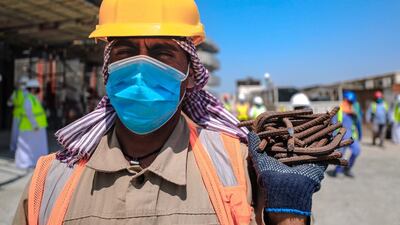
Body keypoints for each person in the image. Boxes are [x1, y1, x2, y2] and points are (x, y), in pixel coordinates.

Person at [13, 1, 326, 224]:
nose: (141, 67)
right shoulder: (51, 178)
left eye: (162, 53)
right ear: (107, 70)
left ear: (190, 74)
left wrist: (287, 215)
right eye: (125, 51)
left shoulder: (238, 165)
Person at [14, 79, 49, 169]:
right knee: (28, 146)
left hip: (35, 127)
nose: (36, 90)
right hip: (30, 127)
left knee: (34, 146)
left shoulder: (33, 98)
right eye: (35, 88)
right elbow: (29, 113)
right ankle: (25, 163)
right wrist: (34, 125)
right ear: (32, 89)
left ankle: (34, 161)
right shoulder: (29, 99)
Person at [327, 91, 362, 178]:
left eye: (350, 103)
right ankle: (337, 170)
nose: (349, 104)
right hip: (341, 137)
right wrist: (334, 137)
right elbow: (333, 124)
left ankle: (348, 168)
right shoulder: (339, 110)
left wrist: (360, 134)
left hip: (352, 136)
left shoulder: (353, 111)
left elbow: (357, 123)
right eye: (348, 102)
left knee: (356, 151)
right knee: (341, 154)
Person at [7, 76, 29, 152]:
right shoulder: (16, 92)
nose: (23, 85)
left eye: (24, 83)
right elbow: (9, 103)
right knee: (15, 132)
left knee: (24, 132)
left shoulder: (29, 93)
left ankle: (22, 148)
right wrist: (11, 102)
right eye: (22, 83)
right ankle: (13, 146)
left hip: (25, 116)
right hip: (17, 115)